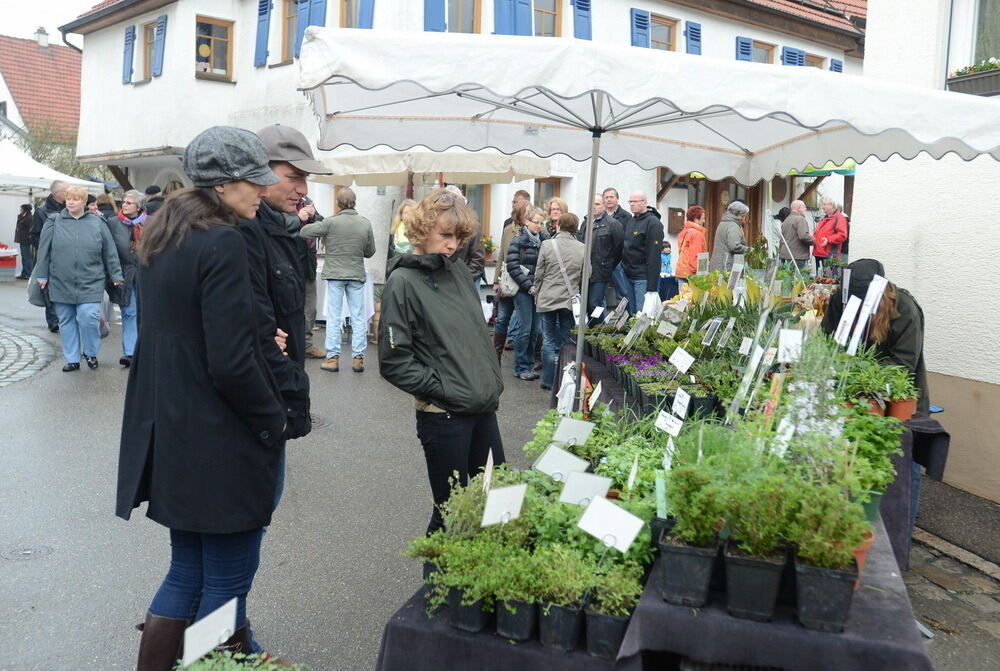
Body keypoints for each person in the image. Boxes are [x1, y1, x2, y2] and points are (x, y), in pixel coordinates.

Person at [117, 126, 289, 669]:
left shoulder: (165, 233)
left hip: (173, 429)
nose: (262, 191)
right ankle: (214, 664)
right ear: (221, 185)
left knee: (187, 570)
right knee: (229, 580)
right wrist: (272, 420)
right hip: (218, 436)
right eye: (252, 183)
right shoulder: (223, 241)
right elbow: (231, 361)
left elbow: (177, 338)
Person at [378, 188, 504, 534]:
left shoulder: (459, 273)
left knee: (495, 502)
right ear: (421, 230)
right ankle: (438, 588)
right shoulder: (402, 282)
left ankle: (480, 583)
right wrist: (443, 389)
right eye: (446, 235)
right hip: (444, 416)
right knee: (451, 513)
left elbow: (474, 337)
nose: (453, 244)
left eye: (459, 237)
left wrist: (489, 382)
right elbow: (394, 360)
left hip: (481, 407)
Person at [240, 123, 327, 447]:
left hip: (277, 397)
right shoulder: (245, 232)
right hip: (259, 404)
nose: (303, 188)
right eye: (293, 177)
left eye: (305, 179)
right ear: (260, 173)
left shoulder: (281, 228)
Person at [34, 186, 124, 371]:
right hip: (60, 279)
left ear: (84, 203)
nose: (71, 202)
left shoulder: (98, 222)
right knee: (66, 319)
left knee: (88, 316)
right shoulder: (54, 221)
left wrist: (116, 274)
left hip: (91, 279)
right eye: (68, 198)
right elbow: (43, 251)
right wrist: (42, 274)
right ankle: (73, 358)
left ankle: (90, 353)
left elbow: (110, 251)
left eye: (75, 199)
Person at [300, 187, 376, 373]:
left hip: (334, 274)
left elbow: (304, 233)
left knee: (334, 317)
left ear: (338, 203)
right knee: (358, 317)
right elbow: (370, 251)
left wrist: (308, 216)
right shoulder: (365, 223)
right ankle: (358, 358)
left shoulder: (330, 222)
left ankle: (333, 359)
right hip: (356, 275)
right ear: (355, 202)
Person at [533, 212, 585, 390]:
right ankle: (565, 381)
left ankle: (548, 381)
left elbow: (539, 273)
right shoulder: (582, 248)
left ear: (559, 226)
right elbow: (588, 275)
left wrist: (536, 294)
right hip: (570, 301)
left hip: (547, 298)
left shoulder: (547, 244)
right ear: (575, 228)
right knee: (566, 340)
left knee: (548, 340)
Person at [507, 207, 549, 380]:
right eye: (536, 222)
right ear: (526, 222)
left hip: (539, 291)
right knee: (524, 330)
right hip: (524, 291)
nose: (539, 226)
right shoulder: (518, 241)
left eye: (541, 223)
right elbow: (512, 266)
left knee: (535, 330)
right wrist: (528, 286)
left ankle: (529, 365)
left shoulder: (546, 241)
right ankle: (521, 367)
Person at [106, 189, 147, 368]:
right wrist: (113, 273)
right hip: (124, 273)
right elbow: (108, 249)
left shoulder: (151, 222)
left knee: (145, 313)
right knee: (129, 312)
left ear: (138, 206)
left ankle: (144, 350)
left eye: (129, 203)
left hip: (147, 273)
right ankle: (130, 353)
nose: (124, 205)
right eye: (123, 202)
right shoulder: (113, 223)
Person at [492, 199, 530, 360]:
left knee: (523, 322)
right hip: (507, 280)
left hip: (523, 281)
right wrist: (495, 281)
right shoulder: (508, 230)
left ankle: (521, 359)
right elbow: (501, 255)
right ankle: (496, 355)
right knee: (502, 318)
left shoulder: (534, 232)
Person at [29, 179, 67, 332]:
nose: (69, 193)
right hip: (51, 257)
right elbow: (34, 235)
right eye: (66, 191)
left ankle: (64, 318)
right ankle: (53, 320)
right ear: (57, 193)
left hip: (67, 256)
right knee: (49, 288)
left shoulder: (69, 209)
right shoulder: (42, 211)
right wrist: (46, 249)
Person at [578, 193, 624, 319]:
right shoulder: (585, 222)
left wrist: (607, 264)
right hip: (584, 271)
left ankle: (597, 332)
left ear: (604, 205)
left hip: (601, 272)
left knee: (595, 304)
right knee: (585, 305)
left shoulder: (613, 224)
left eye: (597, 204)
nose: (593, 207)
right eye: (591, 204)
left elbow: (619, 249)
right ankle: (587, 334)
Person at [621, 191, 664, 314]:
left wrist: (652, 286)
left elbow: (654, 255)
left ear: (645, 202)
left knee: (642, 314)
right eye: (630, 201)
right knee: (632, 313)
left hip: (643, 276)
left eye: (635, 201)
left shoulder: (653, 223)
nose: (632, 204)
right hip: (628, 274)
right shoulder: (631, 221)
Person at [298, 196, 325, 360]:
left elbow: (323, 225)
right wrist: (297, 218)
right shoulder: (281, 202)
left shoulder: (307, 200)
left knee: (310, 307)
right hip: (289, 262)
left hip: (308, 263)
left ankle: (307, 345)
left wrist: (314, 215)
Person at [447, 185, 486, 287]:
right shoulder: (441, 225)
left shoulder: (472, 225)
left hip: (467, 282)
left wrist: (463, 279)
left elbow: (478, 259)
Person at [709, 201, 750, 272]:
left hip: (718, 263)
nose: (744, 219)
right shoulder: (733, 226)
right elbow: (734, 246)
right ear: (738, 214)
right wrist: (749, 250)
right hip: (725, 265)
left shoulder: (723, 222)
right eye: (743, 216)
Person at [778, 199, 814, 271]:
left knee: (787, 280)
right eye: (804, 207)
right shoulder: (800, 219)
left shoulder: (786, 219)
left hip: (785, 255)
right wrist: (815, 240)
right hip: (797, 256)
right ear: (799, 208)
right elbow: (803, 236)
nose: (805, 209)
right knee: (799, 280)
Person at [813, 197, 848, 271]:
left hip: (829, 255)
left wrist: (828, 240)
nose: (822, 207)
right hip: (819, 253)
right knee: (819, 278)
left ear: (831, 205)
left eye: (824, 204)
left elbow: (842, 234)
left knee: (828, 279)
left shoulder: (839, 218)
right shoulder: (824, 218)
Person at [675, 205, 707, 285]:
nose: (704, 221)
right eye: (703, 218)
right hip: (691, 274)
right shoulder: (696, 234)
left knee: (683, 296)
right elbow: (696, 255)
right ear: (696, 219)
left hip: (681, 270)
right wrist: (698, 275)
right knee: (693, 297)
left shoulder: (684, 231)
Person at [14, 204, 33, 279]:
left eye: (21, 209)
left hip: (26, 241)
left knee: (27, 257)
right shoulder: (24, 217)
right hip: (22, 240)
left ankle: (29, 273)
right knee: (24, 257)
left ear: (25, 210)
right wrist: (20, 215)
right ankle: (24, 273)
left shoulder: (29, 218)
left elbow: (31, 229)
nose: (20, 211)